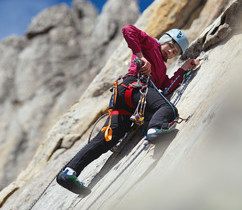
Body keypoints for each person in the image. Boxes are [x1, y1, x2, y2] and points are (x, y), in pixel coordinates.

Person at [57, 25, 200, 195]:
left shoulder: (161, 69)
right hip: (134, 88)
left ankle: (69, 172)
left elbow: (166, 87)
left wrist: (183, 69)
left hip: (125, 101)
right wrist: (141, 57)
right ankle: (155, 129)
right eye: (170, 46)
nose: (171, 51)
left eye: (175, 51)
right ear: (164, 41)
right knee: (166, 108)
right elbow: (128, 30)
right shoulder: (150, 44)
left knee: (106, 139)